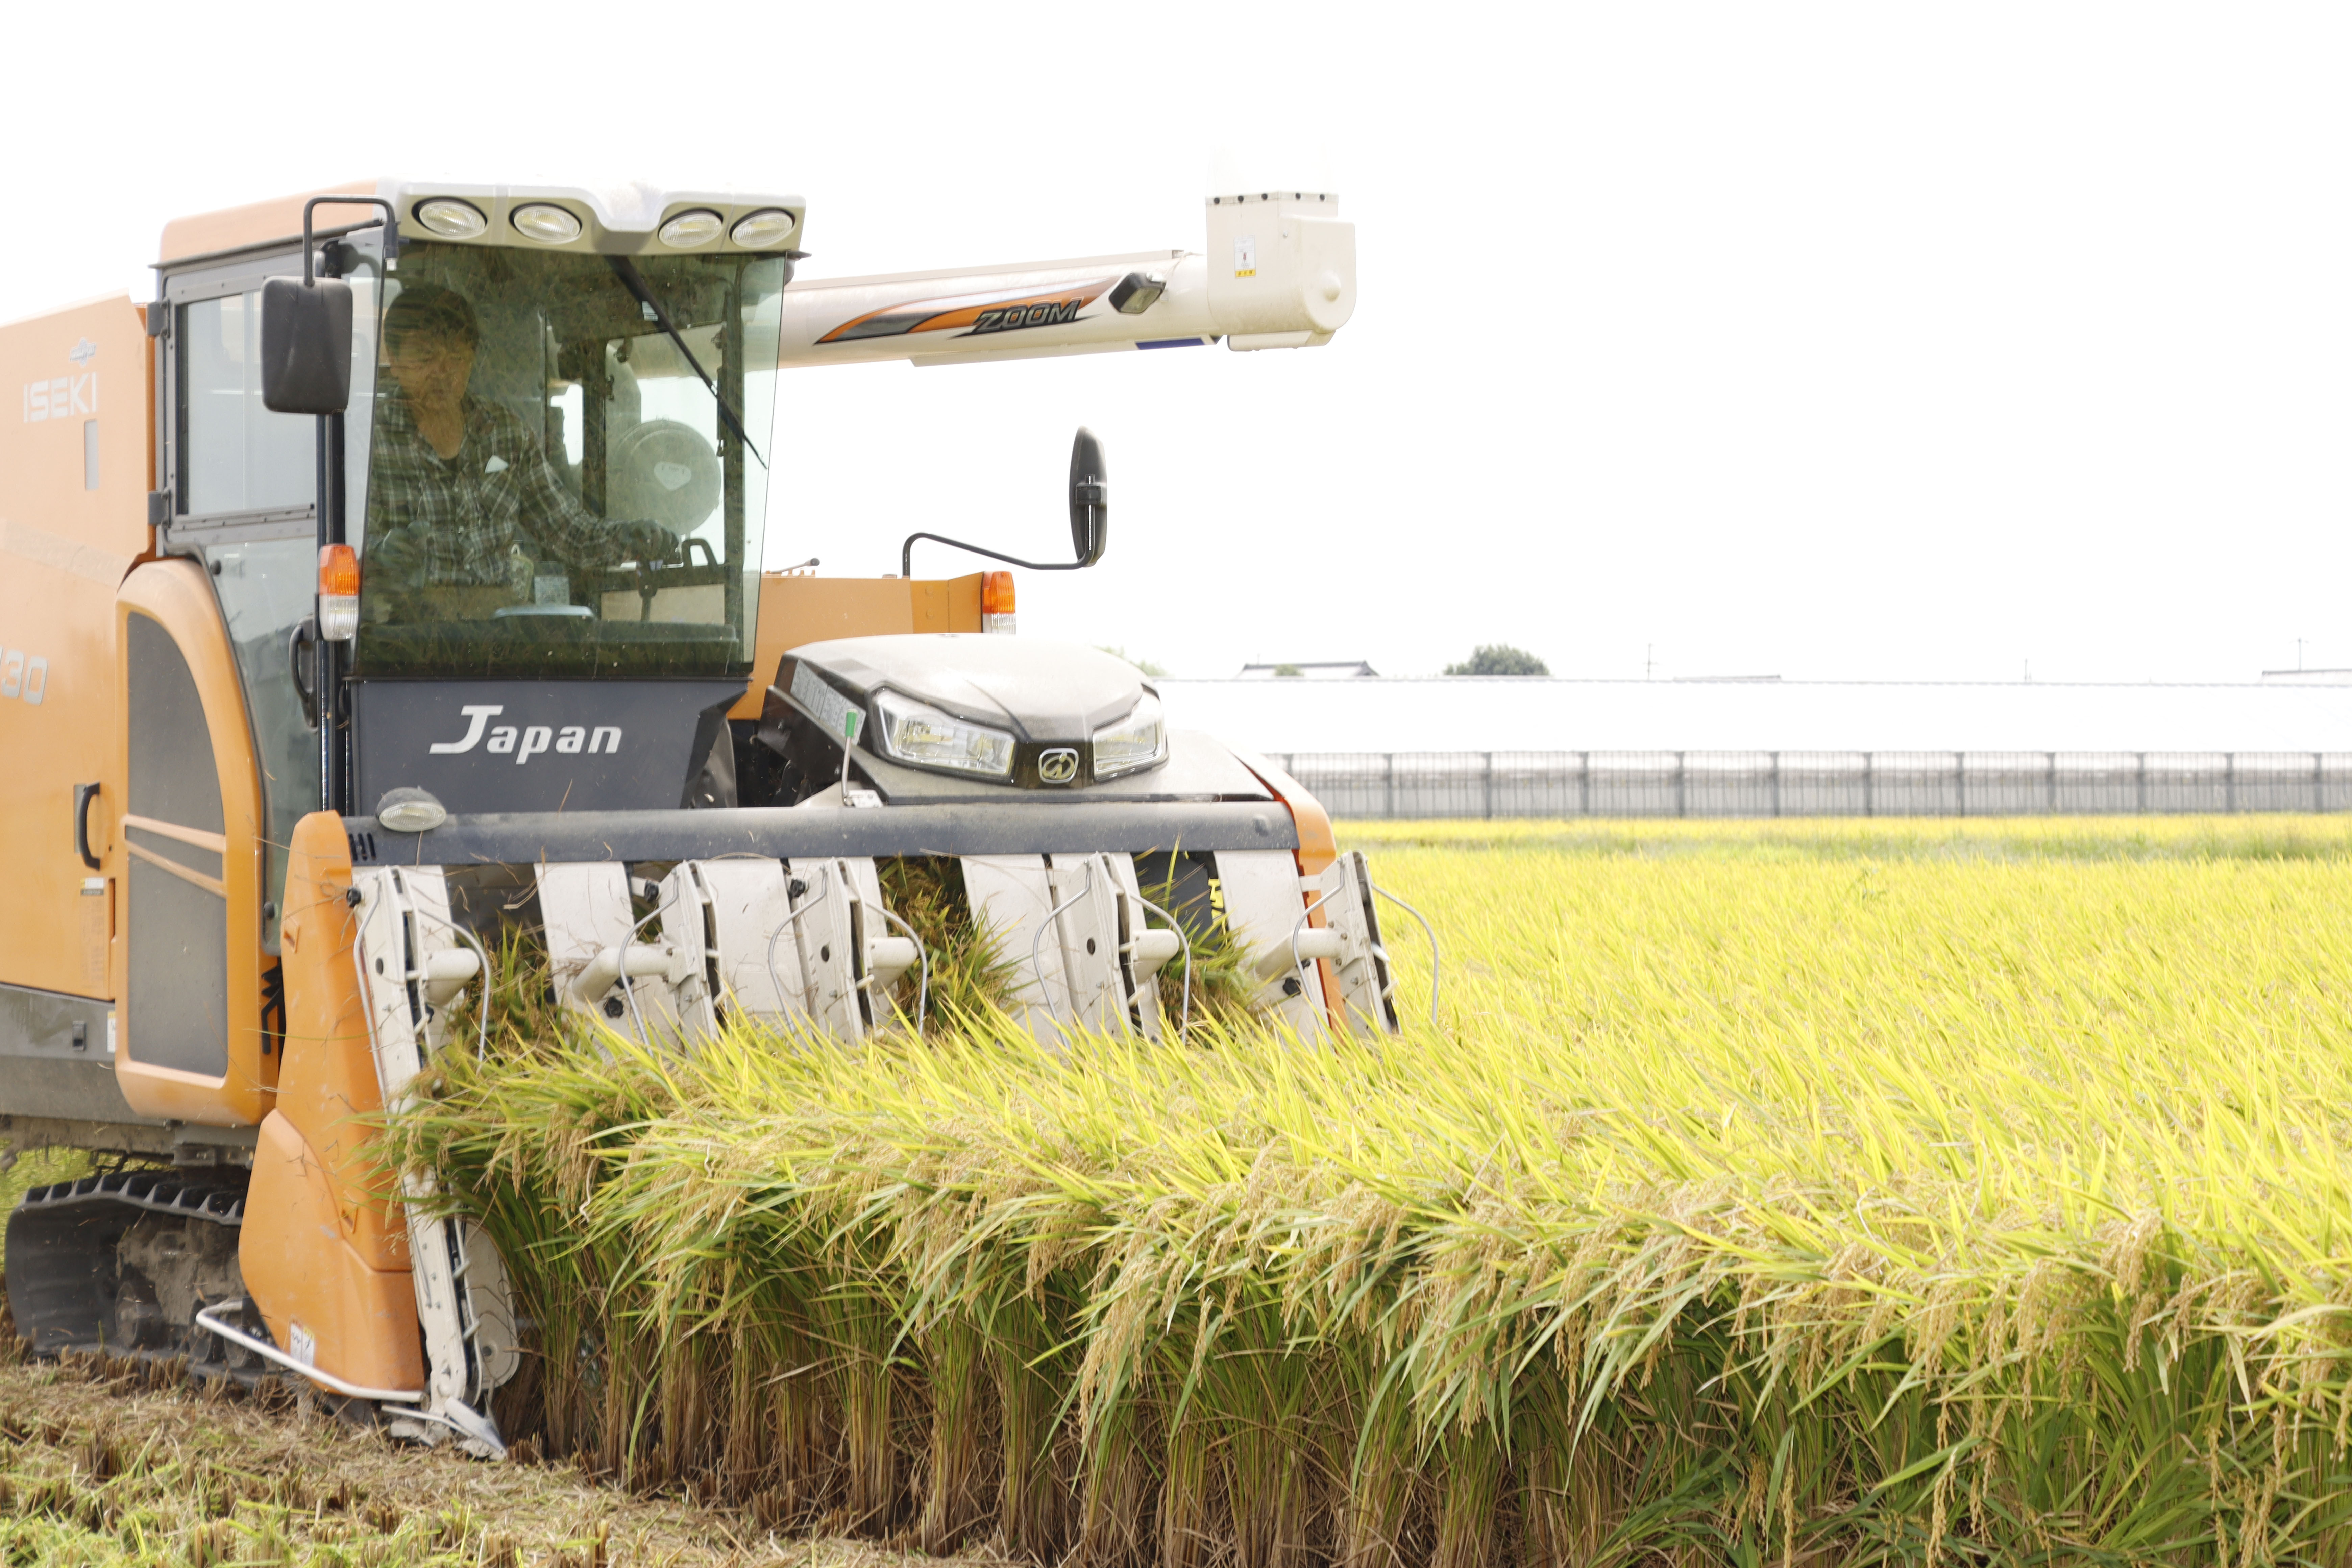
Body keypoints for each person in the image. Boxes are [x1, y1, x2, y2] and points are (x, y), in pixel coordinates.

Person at [363, 284, 675, 620]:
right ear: (393, 361)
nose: (443, 373)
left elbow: (569, 531)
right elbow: (342, 557)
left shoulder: (506, 435)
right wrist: (380, 560)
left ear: (472, 359)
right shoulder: (368, 441)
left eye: (455, 358)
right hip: (403, 645)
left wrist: (629, 538)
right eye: (425, 358)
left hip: (497, 640)